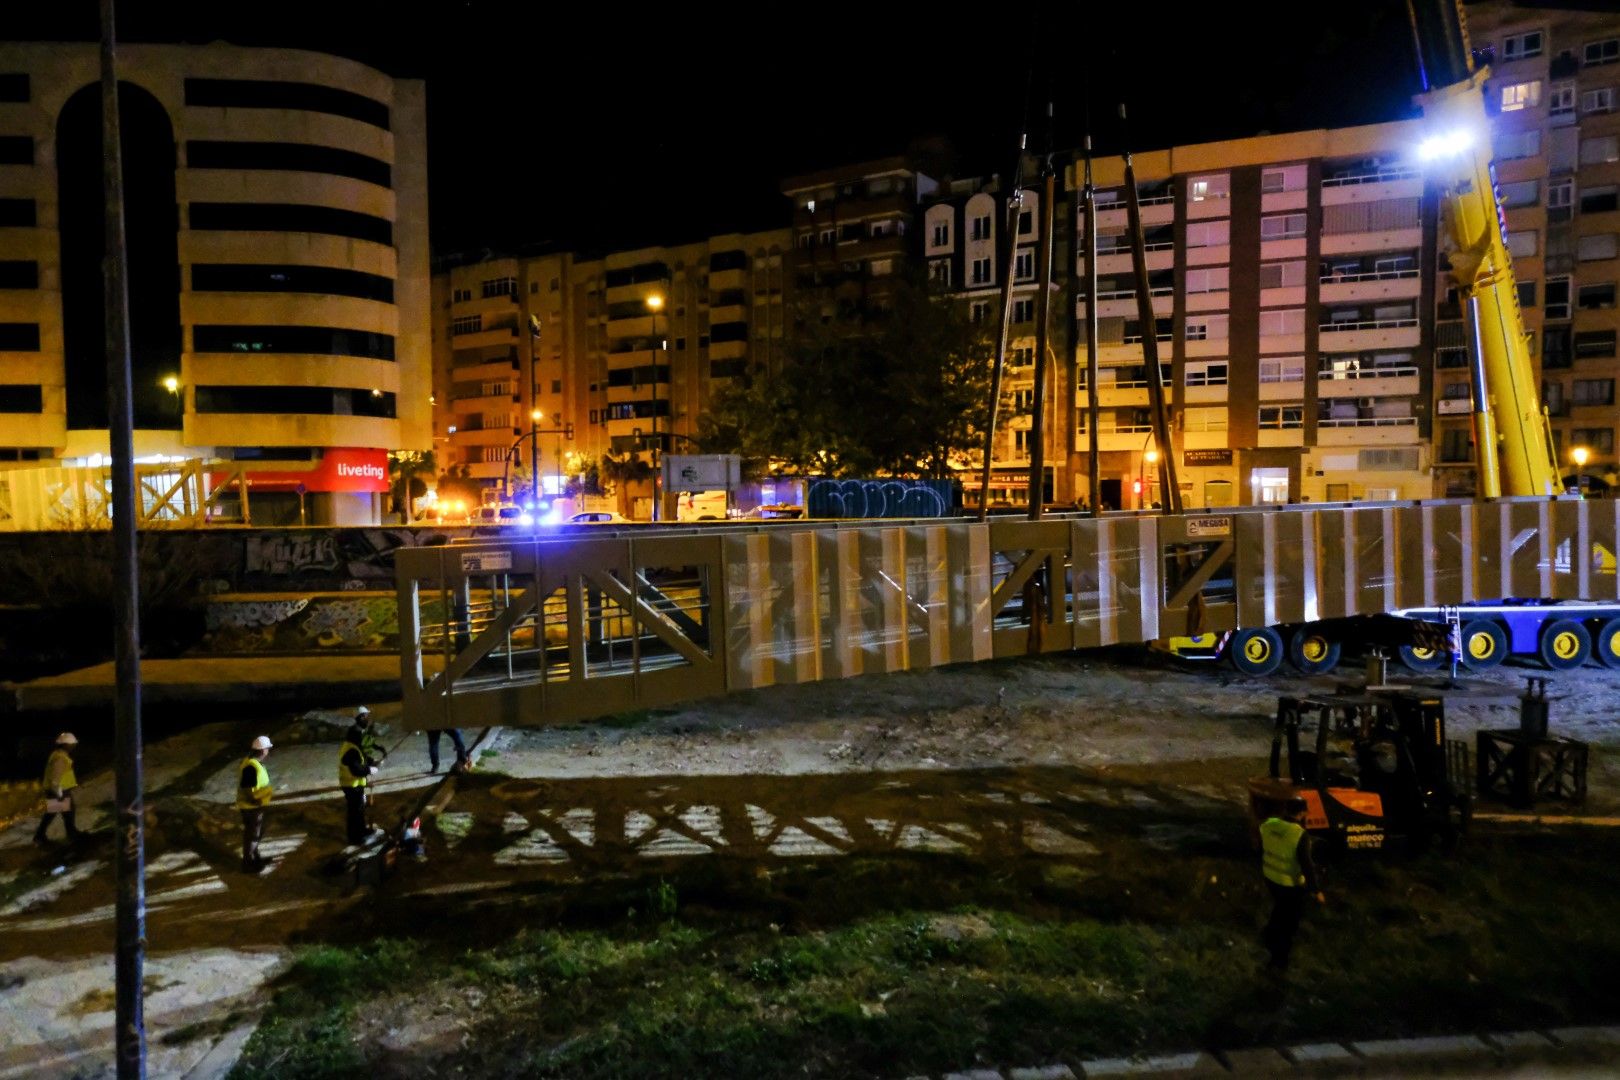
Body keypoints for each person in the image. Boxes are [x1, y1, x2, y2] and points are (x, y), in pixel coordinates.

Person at [1259, 796, 1324, 972]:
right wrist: (1315, 890)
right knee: (1289, 923)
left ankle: (1269, 933)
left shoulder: (1268, 824)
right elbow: (1306, 865)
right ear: (1302, 813)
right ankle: (1279, 960)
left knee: (1280, 907)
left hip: (1270, 877)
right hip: (1289, 884)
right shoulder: (1299, 834)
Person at [34, 732, 82, 845]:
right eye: (72, 744)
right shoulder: (60, 758)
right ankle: (71, 834)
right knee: (66, 812)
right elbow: (55, 778)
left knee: (57, 813)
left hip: (58, 790)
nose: (74, 746)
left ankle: (40, 836)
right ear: (66, 745)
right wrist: (59, 794)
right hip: (58, 791)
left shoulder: (58, 755)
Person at [338, 719, 381, 846]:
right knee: (355, 813)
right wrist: (369, 770)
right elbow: (356, 769)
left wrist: (372, 761)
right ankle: (355, 837)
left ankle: (362, 831)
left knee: (360, 810)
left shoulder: (353, 746)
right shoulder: (350, 750)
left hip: (356, 786)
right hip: (351, 786)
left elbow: (362, 758)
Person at [236, 736, 274, 873]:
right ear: (263, 750)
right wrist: (256, 800)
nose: (268, 751)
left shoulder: (252, 763)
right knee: (252, 836)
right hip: (251, 807)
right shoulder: (251, 767)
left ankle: (256, 858)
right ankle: (247, 864)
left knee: (254, 834)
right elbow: (247, 788)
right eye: (268, 749)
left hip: (253, 806)